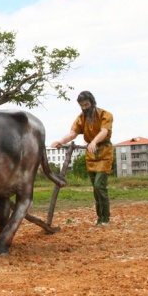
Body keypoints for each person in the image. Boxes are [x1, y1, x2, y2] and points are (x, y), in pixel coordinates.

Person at [51, 91, 114, 226]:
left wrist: (94, 142)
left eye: (86, 104)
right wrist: (60, 141)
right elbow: (73, 133)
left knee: (99, 185)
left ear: (92, 102)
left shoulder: (105, 115)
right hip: (90, 154)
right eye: (82, 106)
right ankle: (100, 219)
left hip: (104, 152)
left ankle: (106, 218)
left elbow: (104, 131)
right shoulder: (82, 117)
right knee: (95, 188)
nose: (85, 108)